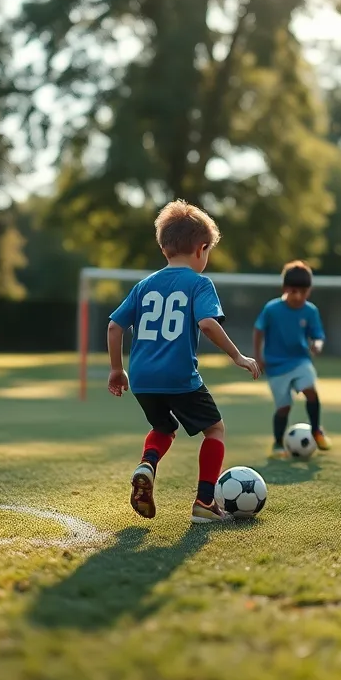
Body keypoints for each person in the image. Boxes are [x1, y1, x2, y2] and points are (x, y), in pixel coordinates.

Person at [107, 200, 260, 524]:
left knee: (163, 426)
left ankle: (147, 464)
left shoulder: (143, 286)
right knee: (214, 429)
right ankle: (205, 502)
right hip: (178, 375)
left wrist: (117, 370)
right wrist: (237, 355)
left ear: (164, 248)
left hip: (143, 377)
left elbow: (114, 326)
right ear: (201, 249)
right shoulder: (199, 283)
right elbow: (207, 323)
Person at [253, 261, 332, 458]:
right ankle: (278, 443)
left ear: (309, 291)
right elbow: (258, 330)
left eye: (303, 292)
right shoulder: (272, 309)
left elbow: (318, 336)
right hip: (276, 366)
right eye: (294, 291)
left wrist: (317, 345)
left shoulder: (310, 311)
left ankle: (316, 430)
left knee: (310, 391)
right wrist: (258, 357)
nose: (298, 296)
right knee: (284, 407)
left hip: (300, 361)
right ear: (285, 289)